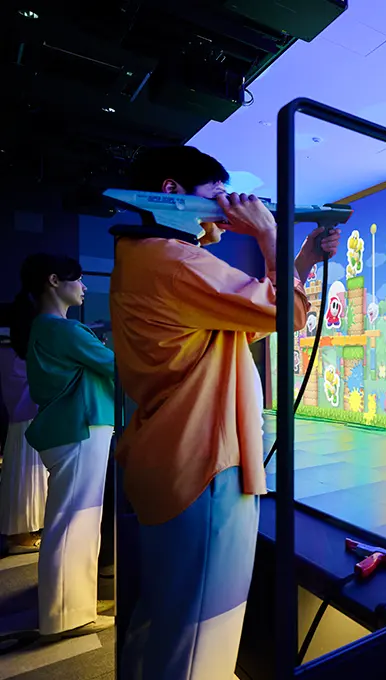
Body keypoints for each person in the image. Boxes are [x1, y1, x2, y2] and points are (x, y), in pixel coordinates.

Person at [110, 145, 339, 679]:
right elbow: (286, 313)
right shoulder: (174, 261)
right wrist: (268, 234)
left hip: (173, 460)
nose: (224, 208)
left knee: (165, 619)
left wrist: (301, 259)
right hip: (204, 465)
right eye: (215, 196)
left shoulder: (145, 258)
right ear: (172, 193)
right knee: (200, 638)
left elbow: (245, 321)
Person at [10, 254, 116, 639]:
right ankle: (66, 617)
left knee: (71, 521)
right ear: (55, 281)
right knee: (76, 523)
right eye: (78, 279)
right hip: (80, 429)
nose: (84, 287)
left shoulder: (44, 327)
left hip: (72, 431)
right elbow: (117, 365)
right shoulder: (62, 329)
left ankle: (68, 612)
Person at [0, 333, 48, 555]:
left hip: (23, 415)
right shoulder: (15, 347)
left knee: (25, 471)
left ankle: (24, 532)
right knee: (28, 471)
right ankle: (22, 535)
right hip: (28, 414)